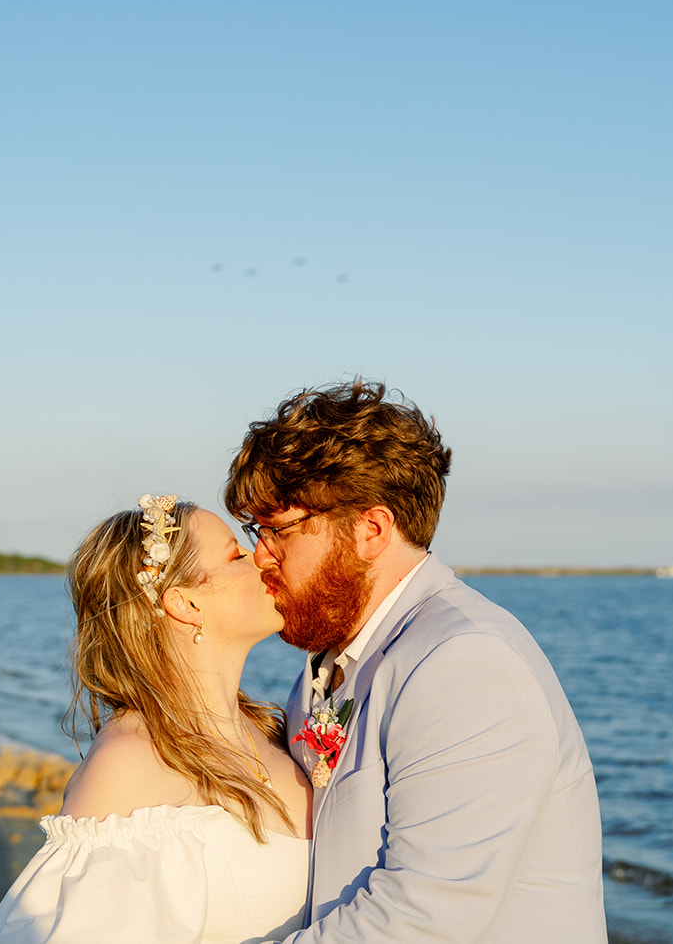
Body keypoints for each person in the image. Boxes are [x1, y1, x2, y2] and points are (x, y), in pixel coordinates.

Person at [224, 380, 607, 943]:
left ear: (370, 530)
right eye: (256, 531)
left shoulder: (466, 663)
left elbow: (423, 915)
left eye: (278, 530)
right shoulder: (335, 660)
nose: (260, 556)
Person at [0, 495, 314, 944]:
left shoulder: (279, 726)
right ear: (185, 604)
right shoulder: (130, 762)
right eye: (236, 554)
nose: (263, 557)